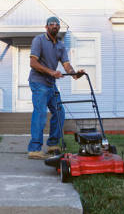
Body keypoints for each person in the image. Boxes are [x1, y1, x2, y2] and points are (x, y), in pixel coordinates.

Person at [28, 16, 84, 159]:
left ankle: (53, 144)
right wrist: (52, 72)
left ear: (59, 28)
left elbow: (66, 65)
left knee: (59, 112)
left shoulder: (60, 45)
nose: (54, 26)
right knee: (40, 113)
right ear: (46, 27)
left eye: (57, 24)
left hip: (51, 84)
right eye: (51, 24)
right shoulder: (39, 40)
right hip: (38, 82)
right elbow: (33, 63)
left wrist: (75, 73)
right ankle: (34, 149)